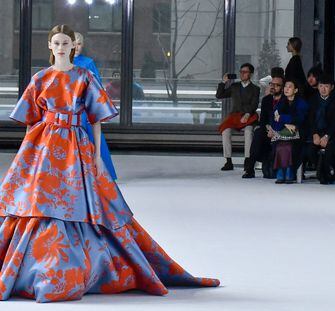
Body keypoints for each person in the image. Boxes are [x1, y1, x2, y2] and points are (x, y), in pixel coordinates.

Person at [0, 24, 219, 303]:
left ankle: (78, 267)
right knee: (40, 202)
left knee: (80, 200)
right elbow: (31, 119)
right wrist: (27, 154)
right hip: (42, 146)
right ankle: (39, 268)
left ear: (73, 46)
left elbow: (96, 119)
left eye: (66, 42)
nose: (61, 47)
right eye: (56, 42)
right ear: (49, 45)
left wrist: (96, 155)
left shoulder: (84, 77)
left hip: (76, 145)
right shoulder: (40, 78)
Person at [73, 31, 118, 180]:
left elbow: (96, 85)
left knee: (93, 138)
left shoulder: (88, 62)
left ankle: (102, 173)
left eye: (79, 44)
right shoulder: (61, 63)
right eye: (74, 43)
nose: (77, 47)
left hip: (84, 107)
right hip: (67, 108)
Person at [216, 63, 260, 171]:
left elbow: (254, 104)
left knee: (249, 131)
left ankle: (247, 160)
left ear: (251, 74)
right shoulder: (234, 86)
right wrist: (223, 82)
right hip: (235, 117)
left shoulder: (255, 89)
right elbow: (219, 95)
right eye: (241, 72)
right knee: (225, 131)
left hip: (248, 117)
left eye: (245, 72)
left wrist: (248, 114)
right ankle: (228, 161)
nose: (242, 74)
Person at [306, 74, 335, 184]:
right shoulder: (312, 100)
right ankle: (321, 171)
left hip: (332, 133)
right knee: (310, 151)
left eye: (326, 86)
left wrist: (327, 136)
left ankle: (327, 174)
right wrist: (314, 134)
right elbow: (310, 119)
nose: (323, 89)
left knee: (329, 152)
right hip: (316, 133)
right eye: (321, 86)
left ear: (332, 87)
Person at [243, 75, 285, 178]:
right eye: (272, 84)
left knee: (269, 174)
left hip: (282, 131)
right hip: (268, 130)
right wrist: (268, 128)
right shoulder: (266, 100)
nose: (273, 87)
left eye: (277, 85)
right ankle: (250, 168)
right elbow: (263, 120)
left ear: (283, 88)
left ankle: (268, 162)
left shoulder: (286, 100)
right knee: (258, 133)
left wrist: (275, 131)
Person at [269, 79, 309, 183]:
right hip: (282, 133)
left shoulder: (302, 103)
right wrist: (287, 123)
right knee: (279, 145)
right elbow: (273, 120)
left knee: (288, 146)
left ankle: (289, 171)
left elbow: (299, 119)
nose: (286, 89)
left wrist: (282, 118)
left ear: (295, 90)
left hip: (298, 134)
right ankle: (281, 172)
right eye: (285, 86)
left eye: (290, 87)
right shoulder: (281, 102)